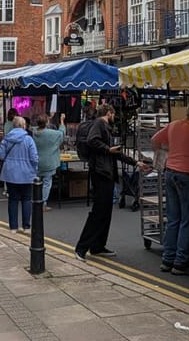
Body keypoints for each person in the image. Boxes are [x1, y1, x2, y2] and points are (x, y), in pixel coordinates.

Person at [74, 104, 145, 261]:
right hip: (100, 173)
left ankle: (98, 246)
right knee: (98, 212)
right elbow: (93, 141)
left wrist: (135, 163)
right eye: (113, 114)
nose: (114, 117)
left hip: (106, 173)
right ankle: (81, 248)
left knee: (105, 212)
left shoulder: (105, 127)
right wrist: (107, 149)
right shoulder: (100, 123)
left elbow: (115, 153)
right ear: (109, 113)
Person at [152, 100, 189, 275]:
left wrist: (167, 153)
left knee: (173, 219)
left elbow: (154, 140)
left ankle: (167, 259)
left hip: (170, 173)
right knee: (188, 221)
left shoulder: (174, 125)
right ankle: (180, 263)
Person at [0, 116, 39, 232]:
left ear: (14, 125)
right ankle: (26, 226)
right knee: (26, 199)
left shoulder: (7, 138)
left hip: (10, 173)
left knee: (13, 199)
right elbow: (34, 158)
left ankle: (13, 227)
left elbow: (0, 155)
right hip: (26, 173)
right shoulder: (29, 139)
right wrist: (34, 169)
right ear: (24, 126)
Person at [33, 113, 66, 209]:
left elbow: (39, 125)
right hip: (49, 162)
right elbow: (62, 133)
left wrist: (47, 119)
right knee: (47, 183)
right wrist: (62, 121)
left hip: (36, 161)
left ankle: (35, 201)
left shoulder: (34, 132)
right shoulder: (51, 134)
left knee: (36, 182)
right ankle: (43, 203)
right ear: (47, 123)